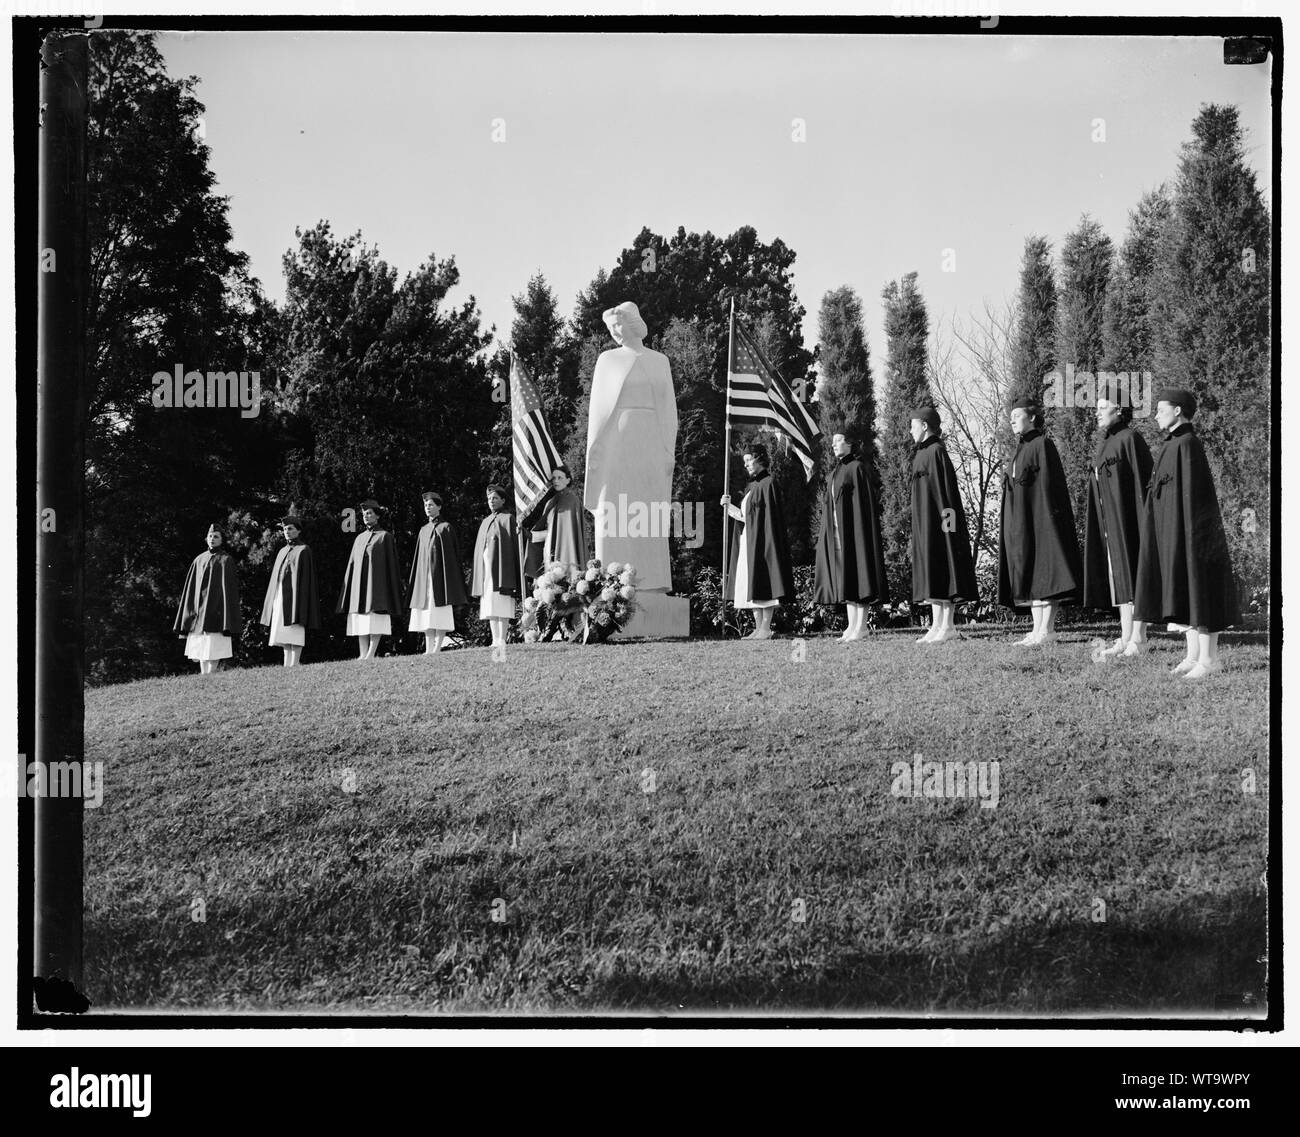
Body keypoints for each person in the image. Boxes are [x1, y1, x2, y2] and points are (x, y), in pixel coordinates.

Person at [1133, 388, 1240, 679]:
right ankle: (1193, 655)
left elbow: (1194, 499)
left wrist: (1190, 535)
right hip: (1174, 532)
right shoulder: (1172, 444)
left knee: (1200, 588)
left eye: (1160, 409)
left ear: (1178, 410)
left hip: (1195, 534)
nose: (1155, 414)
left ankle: (1209, 659)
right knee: (1184, 588)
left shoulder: (1188, 444)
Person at [584, 301, 678, 593]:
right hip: (617, 444)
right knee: (615, 508)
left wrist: (667, 449)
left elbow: (668, 409)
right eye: (611, 328)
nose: (615, 333)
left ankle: (654, 582)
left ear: (634, 322)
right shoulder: (607, 360)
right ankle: (613, 584)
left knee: (648, 512)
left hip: (650, 441)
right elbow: (598, 412)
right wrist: (595, 455)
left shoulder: (659, 361)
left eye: (618, 325)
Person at [997, 400, 1083, 645]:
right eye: (1010, 416)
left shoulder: (1042, 445)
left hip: (1042, 520)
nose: (1012, 420)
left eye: (1017, 415)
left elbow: (1049, 487)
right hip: (1023, 522)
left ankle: (1047, 630)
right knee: (1032, 571)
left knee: (1046, 570)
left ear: (1032, 417)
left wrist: (1046, 520)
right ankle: (1037, 629)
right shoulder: (1019, 450)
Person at [1083, 394, 1154, 660]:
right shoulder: (1106, 443)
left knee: (1134, 576)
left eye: (1103, 407)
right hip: (1110, 521)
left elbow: (1143, 483)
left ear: (1120, 409)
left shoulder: (1130, 439)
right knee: (1120, 579)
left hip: (1130, 522)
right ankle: (1126, 636)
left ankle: (1139, 638)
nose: (1097, 412)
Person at [909, 407, 979, 644]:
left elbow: (946, 494)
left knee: (945, 569)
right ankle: (936, 625)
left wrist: (948, 527)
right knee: (933, 572)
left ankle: (947, 626)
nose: (910, 431)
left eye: (913, 425)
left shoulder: (937, 452)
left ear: (925, 426)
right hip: (926, 525)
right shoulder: (920, 454)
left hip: (942, 525)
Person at [813, 428, 888, 642]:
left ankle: (861, 626)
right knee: (845, 576)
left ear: (850, 444)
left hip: (854, 533)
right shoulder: (836, 472)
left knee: (858, 575)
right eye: (833, 441)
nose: (834, 444)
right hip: (837, 533)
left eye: (838, 441)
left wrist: (859, 533)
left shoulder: (857, 468)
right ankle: (851, 626)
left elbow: (863, 505)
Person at [721, 443, 793, 640]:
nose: (745, 465)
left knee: (763, 582)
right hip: (748, 542)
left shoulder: (769, 484)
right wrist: (729, 508)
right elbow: (747, 517)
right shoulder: (751, 486)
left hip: (762, 543)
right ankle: (757, 627)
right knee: (750, 583)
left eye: (748, 460)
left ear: (759, 458)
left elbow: (769, 519)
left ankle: (766, 627)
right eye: (744, 461)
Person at [337, 498, 403, 660]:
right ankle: (362, 653)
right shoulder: (359, 538)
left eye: (370, 513)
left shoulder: (385, 537)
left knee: (375, 618)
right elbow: (352, 564)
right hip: (360, 586)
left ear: (377, 516)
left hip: (377, 587)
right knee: (360, 618)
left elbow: (391, 564)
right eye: (364, 514)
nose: (366, 516)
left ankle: (371, 653)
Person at [173, 523, 240, 675]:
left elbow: (228, 590)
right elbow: (191, 589)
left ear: (221, 540)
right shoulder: (199, 560)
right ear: (206, 539)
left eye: (216, 536)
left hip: (217, 611)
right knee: (201, 646)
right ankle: (204, 675)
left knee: (214, 643)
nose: (212, 539)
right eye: (210, 536)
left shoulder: (226, 560)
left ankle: (212, 673)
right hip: (198, 612)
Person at [407, 490, 468, 655]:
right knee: (426, 612)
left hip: (440, 579)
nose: (428, 507)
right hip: (424, 579)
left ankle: (438, 646)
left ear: (439, 507)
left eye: (431, 505)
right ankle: (428, 648)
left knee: (439, 610)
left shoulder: (445, 528)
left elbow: (452, 558)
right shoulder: (423, 530)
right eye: (426, 505)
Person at [259, 508, 320, 667]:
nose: (287, 531)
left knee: (295, 628)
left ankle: (295, 661)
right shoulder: (282, 551)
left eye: (290, 528)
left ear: (298, 531)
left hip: (296, 597)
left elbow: (306, 578)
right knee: (282, 628)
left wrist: (302, 598)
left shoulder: (304, 550)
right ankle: (287, 663)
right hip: (280, 594)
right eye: (285, 529)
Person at [471, 483, 520, 649]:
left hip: (502, 570)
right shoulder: (485, 522)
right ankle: (494, 639)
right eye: (489, 499)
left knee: (502, 602)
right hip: (486, 571)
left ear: (503, 500)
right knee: (490, 603)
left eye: (495, 498)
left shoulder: (508, 518)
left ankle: (502, 639)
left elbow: (513, 546)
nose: (491, 501)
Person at [528, 465, 589, 573]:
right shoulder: (550, 502)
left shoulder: (572, 501)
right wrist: (529, 535)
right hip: (550, 552)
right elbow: (548, 532)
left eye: (559, 477)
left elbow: (570, 534)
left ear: (568, 480)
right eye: (554, 478)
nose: (556, 481)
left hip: (567, 555)